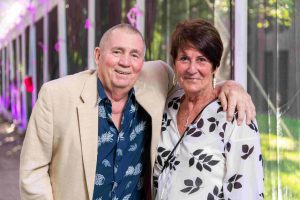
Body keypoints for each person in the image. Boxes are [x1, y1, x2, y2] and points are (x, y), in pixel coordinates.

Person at [20, 23, 256, 200]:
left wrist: (231, 86)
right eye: (117, 52)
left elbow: (198, 80)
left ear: (143, 61)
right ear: (98, 56)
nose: (125, 62)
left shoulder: (158, 80)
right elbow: (32, 173)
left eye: (135, 55)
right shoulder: (56, 95)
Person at [153, 19, 264, 200]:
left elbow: (247, 192)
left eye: (202, 59)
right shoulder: (166, 104)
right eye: (184, 58)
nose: (192, 68)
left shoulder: (236, 115)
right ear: (174, 63)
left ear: (215, 66)